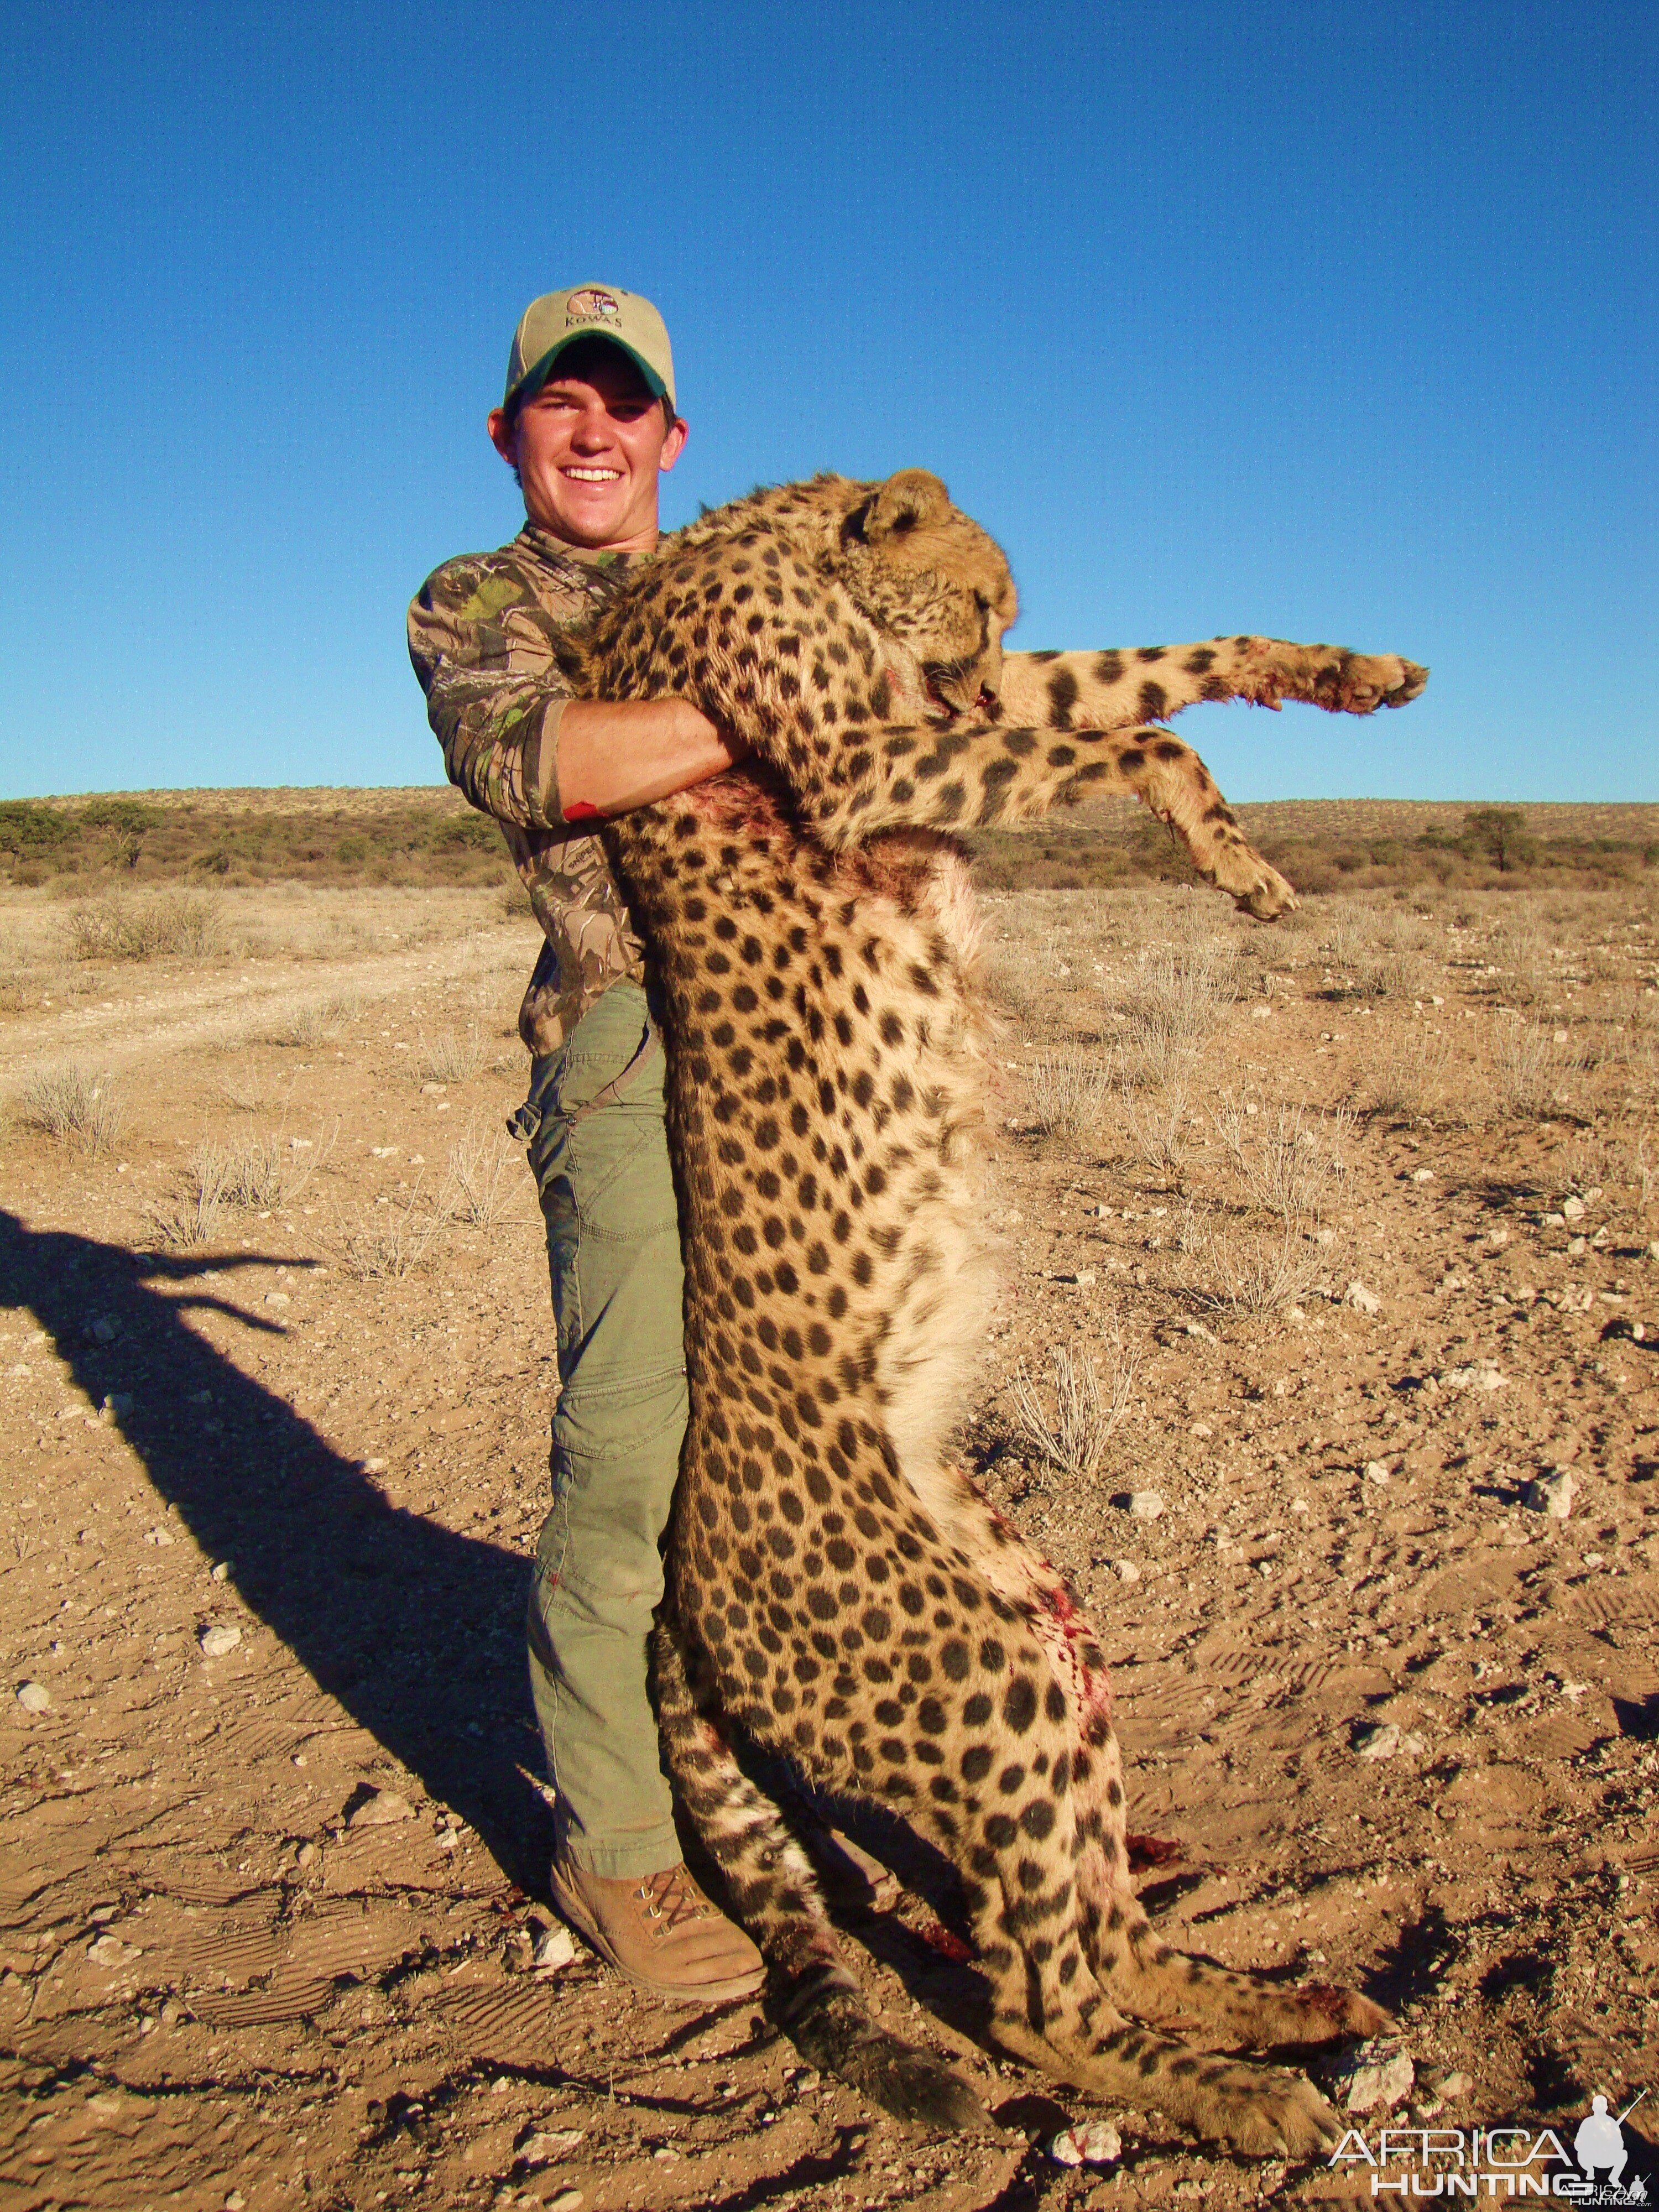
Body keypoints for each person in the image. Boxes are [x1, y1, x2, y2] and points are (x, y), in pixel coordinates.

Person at [408, 285, 764, 2002]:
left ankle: (754, 1782)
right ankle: (615, 1845)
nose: (596, 427)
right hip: (625, 1035)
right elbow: (541, 766)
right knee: (632, 1449)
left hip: (801, 1026)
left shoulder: (738, 580)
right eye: (563, 401)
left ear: (675, 438)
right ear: (512, 431)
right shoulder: (474, 597)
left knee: (794, 1436)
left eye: (628, 403)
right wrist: (781, 704)